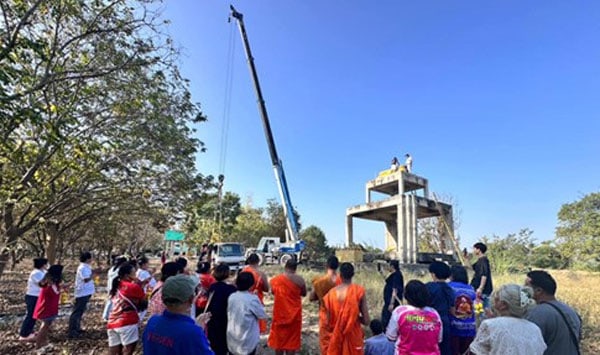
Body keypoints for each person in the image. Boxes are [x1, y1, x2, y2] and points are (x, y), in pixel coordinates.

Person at [143, 274, 214, 354]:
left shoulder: (152, 322)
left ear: (163, 298)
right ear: (191, 299)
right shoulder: (192, 333)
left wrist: (194, 327)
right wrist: (198, 331)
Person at [469, 284, 546, 355]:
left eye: (496, 299)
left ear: (503, 305)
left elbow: (475, 351)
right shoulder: (535, 329)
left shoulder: (490, 325)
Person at [525, 270, 582, 355]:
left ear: (538, 291)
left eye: (526, 286)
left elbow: (529, 345)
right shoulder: (571, 311)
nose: (523, 289)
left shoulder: (538, 313)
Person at [322, 262, 370, 355]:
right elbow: (367, 321)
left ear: (340, 275)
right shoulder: (359, 291)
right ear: (353, 274)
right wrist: (354, 317)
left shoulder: (330, 294)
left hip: (336, 336)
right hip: (353, 336)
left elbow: (327, 321)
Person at [386, 280, 442, 355]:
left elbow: (391, 337)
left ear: (406, 295)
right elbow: (439, 339)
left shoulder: (400, 312)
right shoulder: (434, 313)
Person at [268, 259, 307, 355]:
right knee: (291, 342)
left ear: (285, 267)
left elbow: (273, 291)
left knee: (279, 341)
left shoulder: (276, 280)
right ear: (295, 268)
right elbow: (304, 293)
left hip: (279, 314)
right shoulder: (300, 280)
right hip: (295, 315)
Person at [107, 263, 148, 355]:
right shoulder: (133, 287)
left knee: (113, 351)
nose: (136, 275)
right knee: (128, 351)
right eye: (134, 273)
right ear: (127, 275)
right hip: (127, 322)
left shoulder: (116, 285)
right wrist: (141, 287)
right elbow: (144, 304)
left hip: (112, 321)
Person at [227, 271, 267, 355]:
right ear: (251, 285)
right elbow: (262, 315)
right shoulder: (252, 299)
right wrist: (256, 298)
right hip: (247, 340)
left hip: (232, 339)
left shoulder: (232, 296)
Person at [308, 255, 341, 355]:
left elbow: (311, 298)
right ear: (338, 266)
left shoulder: (319, 282)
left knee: (326, 346)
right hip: (340, 317)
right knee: (340, 344)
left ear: (326, 265)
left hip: (326, 317)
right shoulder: (343, 282)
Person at [206, 263, 237, 355]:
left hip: (213, 321)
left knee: (215, 347)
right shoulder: (231, 289)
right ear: (227, 273)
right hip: (226, 321)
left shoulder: (212, 287)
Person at [426, 261, 455, 355]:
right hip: (445, 322)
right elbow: (452, 308)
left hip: (429, 321)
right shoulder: (449, 289)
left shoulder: (429, 287)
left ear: (433, 274)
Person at [33, 265, 64, 351]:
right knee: (43, 327)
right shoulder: (49, 284)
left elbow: (56, 291)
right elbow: (53, 293)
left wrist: (61, 288)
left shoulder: (51, 283)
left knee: (46, 327)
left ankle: (44, 343)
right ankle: (38, 346)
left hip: (50, 309)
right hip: (46, 309)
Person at [448, 265, 476, 355]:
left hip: (454, 328)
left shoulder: (449, 287)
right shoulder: (471, 289)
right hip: (469, 327)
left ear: (451, 275)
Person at [19, 257, 48, 341]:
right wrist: (48, 276)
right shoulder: (36, 273)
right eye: (46, 264)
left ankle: (29, 332)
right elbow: (42, 283)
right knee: (30, 315)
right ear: (43, 265)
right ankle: (24, 334)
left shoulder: (43, 272)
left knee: (35, 316)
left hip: (38, 296)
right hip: (32, 296)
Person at [68, 251, 95, 338]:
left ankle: (77, 328)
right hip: (82, 292)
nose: (92, 259)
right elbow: (86, 279)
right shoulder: (82, 268)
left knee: (80, 311)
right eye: (91, 257)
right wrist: (93, 274)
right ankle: (72, 331)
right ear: (87, 259)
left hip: (86, 292)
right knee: (77, 311)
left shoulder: (87, 267)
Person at [242, 253, 269, 334]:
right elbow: (266, 289)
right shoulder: (261, 274)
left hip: (244, 300)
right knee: (256, 325)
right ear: (258, 261)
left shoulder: (244, 271)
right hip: (257, 300)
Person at [470, 242, 493, 312]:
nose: (473, 251)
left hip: (482, 290)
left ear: (478, 250)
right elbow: (470, 268)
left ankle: (480, 322)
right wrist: (467, 259)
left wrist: (480, 288)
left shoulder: (483, 261)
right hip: (481, 289)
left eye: (474, 249)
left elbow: (484, 275)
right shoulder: (479, 261)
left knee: (479, 310)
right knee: (482, 309)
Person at [104, 256, 128, 321]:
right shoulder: (119, 270)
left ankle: (106, 315)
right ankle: (107, 316)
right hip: (115, 286)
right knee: (112, 301)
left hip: (110, 286)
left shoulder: (111, 269)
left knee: (110, 301)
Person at [381, 260, 404, 328]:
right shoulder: (394, 275)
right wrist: (381, 272)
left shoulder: (397, 275)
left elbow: (395, 289)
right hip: (389, 301)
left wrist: (392, 303)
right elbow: (387, 281)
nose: (388, 268)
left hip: (392, 302)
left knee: (387, 319)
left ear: (392, 266)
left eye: (389, 266)